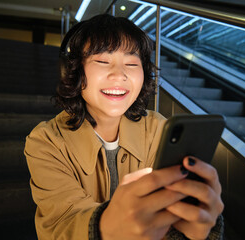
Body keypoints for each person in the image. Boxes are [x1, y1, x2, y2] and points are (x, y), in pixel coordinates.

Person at [24, 14, 224, 240]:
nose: (120, 74)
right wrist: (105, 227)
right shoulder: (46, 141)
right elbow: (62, 222)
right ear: (72, 71)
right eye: (101, 61)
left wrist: (197, 229)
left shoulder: (158, 129)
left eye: (131, 64)